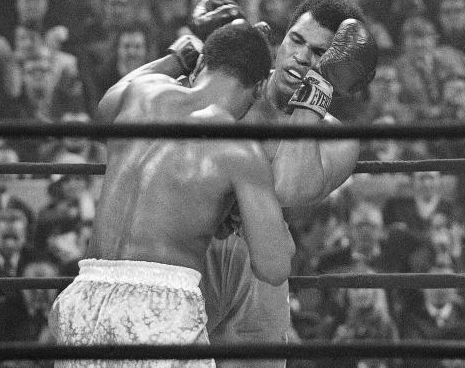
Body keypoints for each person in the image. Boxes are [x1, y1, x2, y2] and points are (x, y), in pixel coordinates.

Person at [116, 0, 378, 367]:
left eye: (320, 53)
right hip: (191, 253)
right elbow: (121, 106)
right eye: (296, 40)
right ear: (282, 38)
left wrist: (316, 92)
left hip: (259, 273)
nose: (302, 58)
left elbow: (287, 186)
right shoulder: (230, 86)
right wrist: (189, 53)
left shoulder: (338, 139)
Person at [51, 23, 293, 366]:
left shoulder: (143, 92)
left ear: (200, 65)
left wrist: (175, 58)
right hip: (161, 312)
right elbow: (273, 266)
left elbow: (104, 109)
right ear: (257, 89)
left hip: (84, 299)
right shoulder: (239, 150)